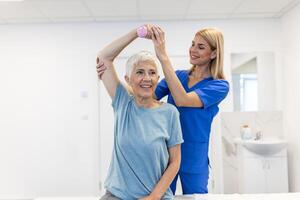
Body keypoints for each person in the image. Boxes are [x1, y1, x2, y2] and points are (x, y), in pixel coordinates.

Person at [97, 25, 229, 194]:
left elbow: (182, 100)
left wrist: (162, 56)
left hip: (193, 155)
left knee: (196, 196)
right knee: (163, 195)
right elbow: (145, 94)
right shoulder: (178, 76)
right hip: (165, 153)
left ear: (214, 53)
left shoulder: (219, 85)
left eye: (200, 47)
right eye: (193, 44)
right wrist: (120, 85)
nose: (193, 50)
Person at [96, 28, 184, 200]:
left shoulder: (169, 113)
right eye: (140, 72)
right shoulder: (123, 102)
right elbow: (104, 57)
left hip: (157, 197)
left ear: (158, 78)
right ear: (128, 79)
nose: (147, 78)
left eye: (152, 73)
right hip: (117, 195)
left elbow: (175, 162)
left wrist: (153, 197)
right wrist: (137, 33)